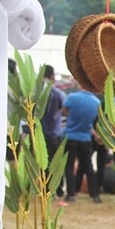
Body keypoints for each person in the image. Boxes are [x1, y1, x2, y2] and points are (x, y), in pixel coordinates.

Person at [62, 84, 101, 203]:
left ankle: (71, 194)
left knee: (69, 166)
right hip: (85, 138)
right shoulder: (97, 102)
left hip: (70, 136)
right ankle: (95, 195)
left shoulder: (72, 97)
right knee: (88, 166)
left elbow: (64, 111)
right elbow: (94, 121)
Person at [39, 64, 67, 200]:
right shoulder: (58, 94)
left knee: (40, 162)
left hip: (39, 134)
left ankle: (42, 189)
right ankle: (58, 190)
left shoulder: (35, 93)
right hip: (54, 134)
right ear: (52, 76)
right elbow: (64, 109)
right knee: (55, 163)